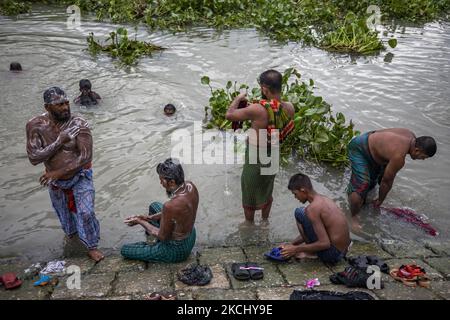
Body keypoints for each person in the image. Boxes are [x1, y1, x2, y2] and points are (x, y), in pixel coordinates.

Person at [26, 87, 103, 262]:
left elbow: (85, 156)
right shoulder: (35, 125)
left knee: (86, 213)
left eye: (67, 103)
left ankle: (92, 245)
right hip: (55, 181)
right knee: (64, 214)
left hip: (80, 175)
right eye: (59, 104)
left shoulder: (79, 124)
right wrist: (59, 141)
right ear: (47, 107)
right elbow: (34, 157)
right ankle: (73, 238)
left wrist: (58, 172)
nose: (65, 107)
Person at [225, 69, 295, 223]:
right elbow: (272, 112)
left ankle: (249, 224)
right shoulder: (289, 107)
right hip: (274, 154)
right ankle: (265, 221)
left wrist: (238, 98)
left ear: (264, 89)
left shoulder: (258, 109)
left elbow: (229, 115)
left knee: (249, 192)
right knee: (267, 189)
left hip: (256, 156)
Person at [347, 128, 437, 231]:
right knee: (362, 186)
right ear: (417, 150)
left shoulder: (411, 136)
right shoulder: (399, 156)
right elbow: (387, 181)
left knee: (372, 182)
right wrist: (380, 200)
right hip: (359, 148)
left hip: (370, 142)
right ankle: (353, 217)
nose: (423, 159)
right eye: (423, 156)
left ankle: (361, 200)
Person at [121, 158, 199, 263]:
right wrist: (149, 218)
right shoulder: (190, 186)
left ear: (171, 182)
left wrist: (140, 221)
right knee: (154, 206)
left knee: (125, 250)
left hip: (177, 250)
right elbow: (177, 211)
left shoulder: (170, 206)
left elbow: (163, 237)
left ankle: (154, 248)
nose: (160, 183)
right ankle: (151, 239)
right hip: (191, 236)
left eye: (162, 180)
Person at [281, 173, 351, 265]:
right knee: (303, 212)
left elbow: (325, 243)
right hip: (344, 251)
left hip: (332, 255)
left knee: (299, 212)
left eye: (295, 194)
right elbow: (317, 231)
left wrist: (295, 249)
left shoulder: (312, 209)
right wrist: (291, 244)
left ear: (303, 190)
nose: (295, 197)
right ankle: (310, 250)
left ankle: (311, 252)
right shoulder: (324, 199)